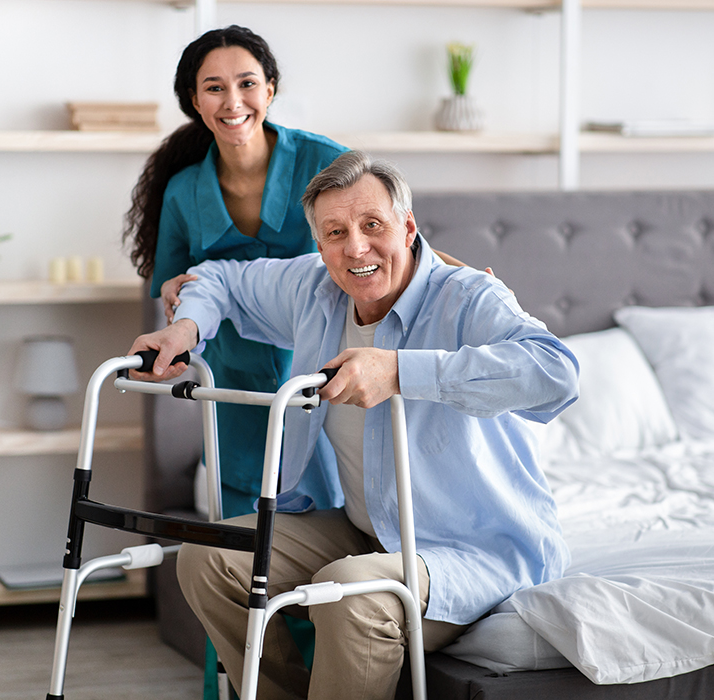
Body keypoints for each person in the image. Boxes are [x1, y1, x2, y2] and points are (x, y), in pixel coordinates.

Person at [127, 150, 580, 700]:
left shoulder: (468, 297)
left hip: (473, 547)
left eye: (372, 226)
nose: (356, 248)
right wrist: (186, 329)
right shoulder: (314, 287)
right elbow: (223, 280)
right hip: (364, 526)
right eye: (336, 232)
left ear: (408, 227)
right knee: (207, 560)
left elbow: (556, 372)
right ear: (319, 245)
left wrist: (400, 371)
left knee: (347, 591)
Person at [122, 24, 471, 519]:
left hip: (325, 358)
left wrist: (466, 277)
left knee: (334, 501)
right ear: (194, 101)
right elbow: (176, 284)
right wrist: (175, 296)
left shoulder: (324, 161)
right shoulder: (183, 190)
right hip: (234, 367)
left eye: (246, 83)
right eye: (214, 88)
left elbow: (395, 241)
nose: (232, 101)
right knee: (246, 519)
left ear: (270, 89)